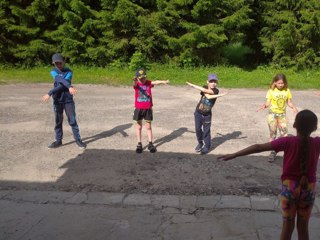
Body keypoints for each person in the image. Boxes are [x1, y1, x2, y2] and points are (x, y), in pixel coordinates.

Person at [218, 109, 320, 240]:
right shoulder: (317, 142)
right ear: (315, 127)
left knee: (287, 227)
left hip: (289, 189)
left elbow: (258, 147)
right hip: (308, 189)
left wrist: (234, 154)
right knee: (303, 227)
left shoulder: (287, 141)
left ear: (294, 125)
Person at [42, 53, 86, 149]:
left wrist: (50, 93)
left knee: (72, 121)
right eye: (56, 63)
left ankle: (78, 140)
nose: (58, 65)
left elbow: (62, 85)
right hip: (57, 100)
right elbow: (59, 79)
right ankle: (58, 141)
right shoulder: (53, 71)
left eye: (60, 63)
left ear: (64, 62)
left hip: (68, 101)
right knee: (58, 121)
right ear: (54, 64)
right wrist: (69, 86)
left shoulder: (69, 71)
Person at [257, 73, 298, 162]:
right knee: (273, 134)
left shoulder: (287, 90)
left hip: (282, 115)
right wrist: (264, 105)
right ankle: (273, 151)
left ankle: (287, 153)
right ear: (275, 82)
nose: (280, 85)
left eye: (282, 83)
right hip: (272, 115)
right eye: (278, 83)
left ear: (285, 83)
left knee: (284, 135)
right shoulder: (271, 91)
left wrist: (294, 107)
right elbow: (268, 102)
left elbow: (289, 102)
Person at [186, 73, 228, 155]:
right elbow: (207, 95)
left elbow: (210, 95)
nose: (213, 83)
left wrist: (219, 94)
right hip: (198, 112)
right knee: (198, 129)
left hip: (207, 115)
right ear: (207, 82)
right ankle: (200, 143)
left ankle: (207, 147)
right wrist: (192, 85)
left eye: (215, 81)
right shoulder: (204, 87)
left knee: (206, 131)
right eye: (211, 81)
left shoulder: (216, 90)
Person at [133, 68, 169, 153]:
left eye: (144, 77)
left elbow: (155, 82)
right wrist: (135, 80)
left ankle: (150, 144)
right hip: (139, 108)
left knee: (148, 127)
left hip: (148, 108)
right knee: (139, 127)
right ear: (137, 78)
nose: (143, 80)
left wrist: (163, 82)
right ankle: (139, 144)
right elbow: (134, 84)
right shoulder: (137, 84)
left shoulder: (148, 83)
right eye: (141, 78)